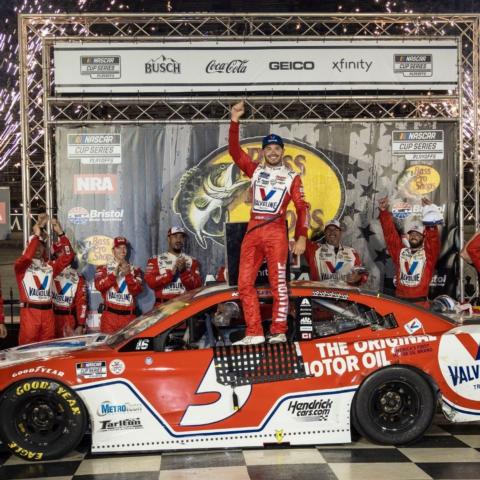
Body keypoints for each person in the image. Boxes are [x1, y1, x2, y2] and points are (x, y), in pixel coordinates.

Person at [229, 100, 310, 345]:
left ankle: (278, 330)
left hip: (276, 231)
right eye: (269, 148)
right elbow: (234, 151)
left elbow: (302, 206)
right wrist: (234, 120)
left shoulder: (292, 176)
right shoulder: (254, 171)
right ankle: (254, 332)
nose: (273, 152)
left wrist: (302, 235)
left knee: (279, 286)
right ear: (263, 152)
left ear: (282, 151)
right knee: (244, 284)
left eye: (277, 148)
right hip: (253, 230)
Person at [14, 214, 74, 344]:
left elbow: (68, 256)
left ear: (44, 248)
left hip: (48, 315)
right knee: (27, 352)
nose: (37, 248)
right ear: (28, 246)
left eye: (40, 245)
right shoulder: (21, 266)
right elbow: (26, 257)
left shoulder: (50, 266)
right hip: (30, 314)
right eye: (33, 245)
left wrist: (61, 234)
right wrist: (37, 233)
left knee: (48, 352)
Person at [378, 197, 441, 305]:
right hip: (400, 304)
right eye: (412, 234)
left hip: (420, 305)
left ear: (423, 238)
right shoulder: (400, 252)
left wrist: (430, 213)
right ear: (408, 236)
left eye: (418, 234)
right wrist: (384, 212)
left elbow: (433, 240)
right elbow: (390, 235)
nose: (414, 236)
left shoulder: (429, 255)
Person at [95, 236, 143, 334]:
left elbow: (137, 290)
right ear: (113, 251)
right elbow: (99, 286)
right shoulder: (103, 268)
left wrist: (128, 275)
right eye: (118, 247)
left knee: (127, 348)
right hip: (109, 317)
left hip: (129, 318)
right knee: (107, 347)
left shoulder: (136, 270)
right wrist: (113, 275)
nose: (122, 250)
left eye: (124, 247)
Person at [145, 227, 201, 306]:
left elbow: (196, 286)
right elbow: (151, 283)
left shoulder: (192, 261)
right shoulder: (155, 260)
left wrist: (184, 272)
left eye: (181, 237)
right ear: (169, 239)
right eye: (175, 236)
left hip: (183, 307)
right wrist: (170, 274)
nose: (178, 240)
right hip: (162, 306)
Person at [304, 219, 368, 286]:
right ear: (324, 233)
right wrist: (303, 209)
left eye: (335, 229)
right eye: (329, 229)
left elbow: (363, 276)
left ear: (340, 233)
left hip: (345, 294)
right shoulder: (314, 249)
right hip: (320, 294)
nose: (332, 232)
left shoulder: (352, 252)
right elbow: (301, 238)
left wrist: (357, 278)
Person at [51, 240, 87, 337]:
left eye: (64, 251)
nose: (62, 254)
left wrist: (81, 324)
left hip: (68, 318)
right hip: (50, 317)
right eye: (59, 252)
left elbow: (81, 302)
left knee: (67, 350)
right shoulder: (48, 270)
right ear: (54, 255)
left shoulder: (77, 276)